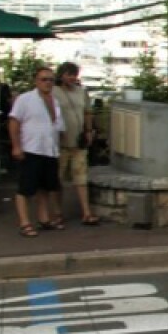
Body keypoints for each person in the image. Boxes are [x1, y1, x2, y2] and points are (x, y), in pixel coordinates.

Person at [8, 66, 65, 237]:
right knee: (25, 188)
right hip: (31, 148)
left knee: (45, 187)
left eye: (51, 80)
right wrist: (16, 146)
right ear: (36, 81)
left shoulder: (55, 101)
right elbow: (14, 122)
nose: (48, 83)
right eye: (44, 79)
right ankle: (25, 223)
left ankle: (44, 218)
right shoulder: (25, 99)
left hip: (49, 150)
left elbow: (58, 126)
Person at [54, 62, 100, 225]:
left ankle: (86, 213)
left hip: (78, 142)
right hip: (60, 143)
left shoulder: (81, 92)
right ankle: (57, 213)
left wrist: (88, 130)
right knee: (57, 179)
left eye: (74, 74)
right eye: (69, 74)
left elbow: (87, 112)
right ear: (61, 75)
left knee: (81, 178)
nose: (73, 78)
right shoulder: (54, 92)